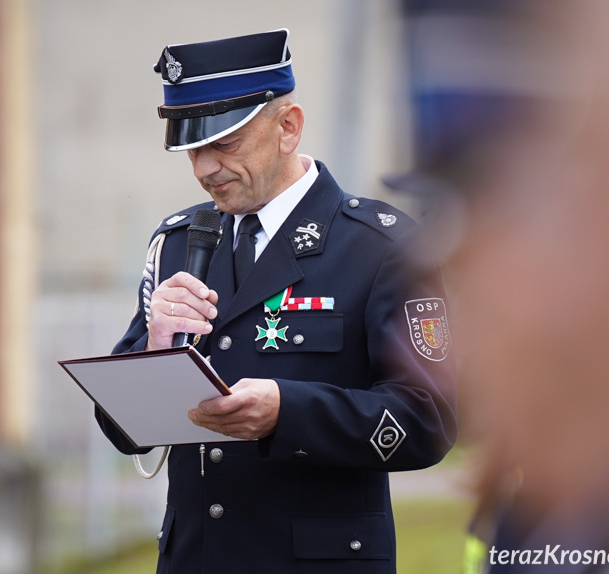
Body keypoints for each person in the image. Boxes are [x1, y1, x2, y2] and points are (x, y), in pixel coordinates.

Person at [95, 29, 457, 573]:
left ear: (288, 128)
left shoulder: (382, 246)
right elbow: (122, 430)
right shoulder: (176, 243)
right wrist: (154, 345)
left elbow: (429, 421)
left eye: (225, 143)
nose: (203, 169)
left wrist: (288, 413)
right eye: (193, 147)